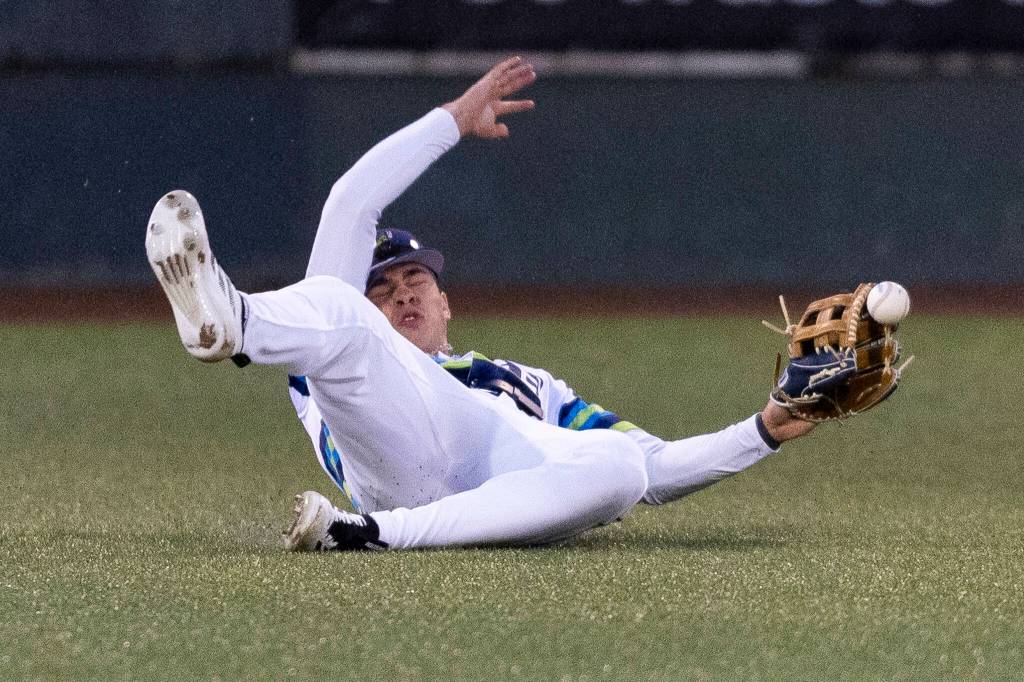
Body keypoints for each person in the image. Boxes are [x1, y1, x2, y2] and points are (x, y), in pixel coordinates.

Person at [146, 57, 812, 552]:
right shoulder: (334, 347)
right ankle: (235, 320)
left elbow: (658, 470)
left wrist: (765, 429)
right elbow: (352, 203)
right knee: (333, 311)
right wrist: (451, 122)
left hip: (508, 466)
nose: (401, 291)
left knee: (620, 464)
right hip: (394, 452)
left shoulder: (525, 384)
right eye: (383, 286)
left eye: (414, 280)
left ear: (446, 302)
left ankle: (359, 535)